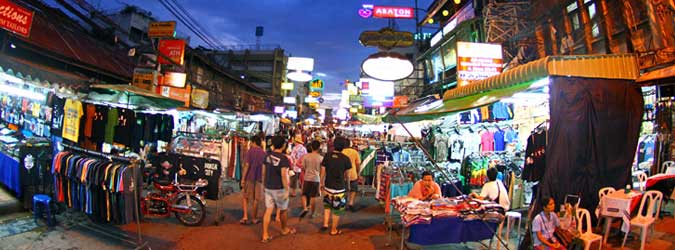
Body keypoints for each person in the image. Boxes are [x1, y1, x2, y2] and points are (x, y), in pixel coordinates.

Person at [261, 136, 295, 243]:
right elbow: (283, 176)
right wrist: (286, 189)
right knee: (283, 210)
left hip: (268, 187)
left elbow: (263, 172)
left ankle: (265, 234)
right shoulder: (284, 159)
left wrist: (264, 184)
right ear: (284, 145)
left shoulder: (267, 156)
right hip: (279, 188)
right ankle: (284, 229)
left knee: (268, 210)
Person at [320, 136, 352, 235]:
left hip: (328, 186)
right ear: (344, 147)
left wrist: (321, 183)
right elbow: (348, 175)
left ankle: (325, 224)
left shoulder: (327, 156)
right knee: (336, 210)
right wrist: (348, 185)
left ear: (334, 145)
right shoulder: (346, 159)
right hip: (339, 189)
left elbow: (323, 171)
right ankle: (333, 230)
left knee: (327, 206)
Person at [240, 135, 266, 225]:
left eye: (251, 142)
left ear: (254, 142)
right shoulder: (263, 153)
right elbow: (264, 168)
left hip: (249, 177)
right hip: (259, 178)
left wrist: (243, 178)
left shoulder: (250, 151)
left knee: (245, 197)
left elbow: (247, 165)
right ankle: (254, 218)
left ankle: (245, 216)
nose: (250, 143)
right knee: (256, 199)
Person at [300, 140, 323, 218]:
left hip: (307, 178)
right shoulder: (320, 158)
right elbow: (322, 170)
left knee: (304, 194)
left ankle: (305, 208)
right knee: (313, 196)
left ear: (311, 147)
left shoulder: (306, 156)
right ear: (319, 148)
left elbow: (303, 167)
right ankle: (312, 213)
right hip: (316, 179)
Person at [341, 139, 361, 212]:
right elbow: (358, 164)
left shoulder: (341, 152)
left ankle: (343, 203)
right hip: (353, 174)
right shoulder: (354, 152)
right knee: (353, 189)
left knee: (343, 190)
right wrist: (358, 172)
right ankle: (351, 203)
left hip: (342, 174)